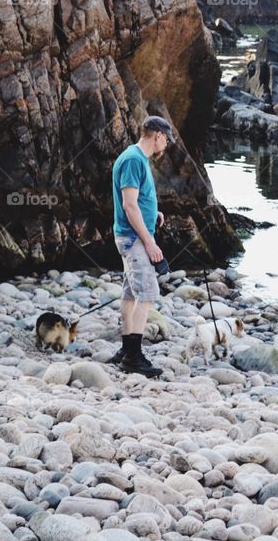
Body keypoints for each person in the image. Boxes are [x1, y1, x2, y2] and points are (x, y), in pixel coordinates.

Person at [109, 115, 174, 377]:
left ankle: (126, 350)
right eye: (166, 139)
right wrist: (149, 242)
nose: (166, 144)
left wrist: (154, 214)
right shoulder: (135, 160)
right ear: (157, 135)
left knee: (129, 294)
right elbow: (129, 204)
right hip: (134, 239)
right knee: (146, 294)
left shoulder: (134, 157)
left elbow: (137, 201)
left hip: (130, 235)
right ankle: (134, 358)